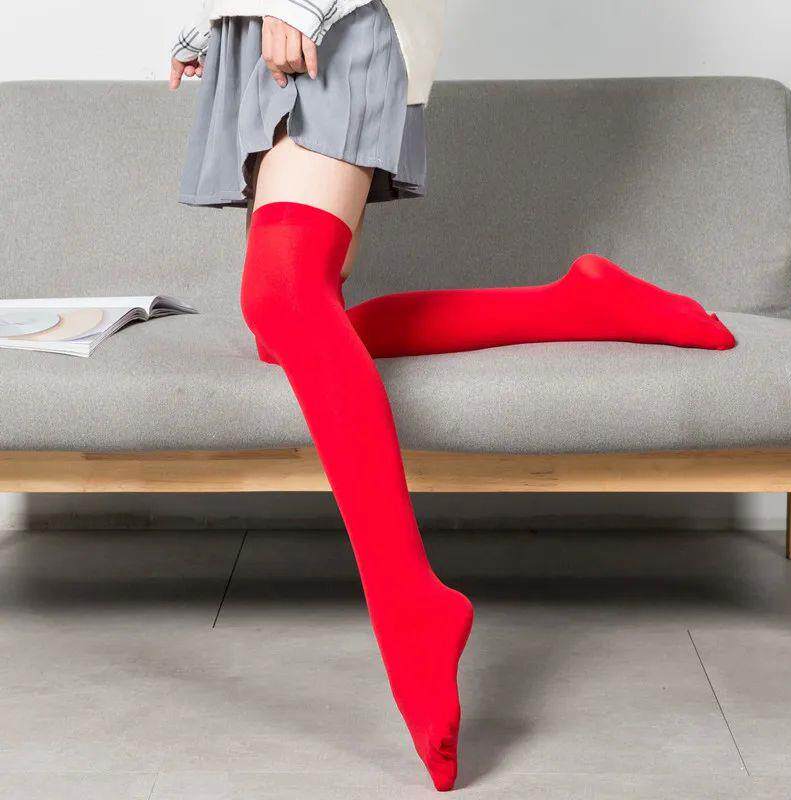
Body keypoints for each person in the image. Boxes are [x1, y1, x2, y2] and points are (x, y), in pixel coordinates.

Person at [170, 2, 736, 790]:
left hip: (329, 18)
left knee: (285, 296)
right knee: (285, 328)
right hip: (259, 25)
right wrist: (213, 23)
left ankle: (412, 605)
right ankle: (581, 305)